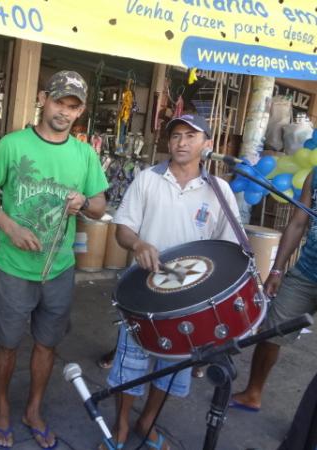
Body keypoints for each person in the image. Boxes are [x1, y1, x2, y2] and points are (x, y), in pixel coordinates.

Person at [0, 70, 109, 449]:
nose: (64, 112)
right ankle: (2, 408)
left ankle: (33, 409)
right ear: (43, 99)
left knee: (47, 344)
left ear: (80, 112)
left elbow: (100, 205)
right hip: (14, 268)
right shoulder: (13, 145)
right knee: (7, 344)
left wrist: (85, 202)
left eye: (73, 106)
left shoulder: (84, 154)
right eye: (59, 102)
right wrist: (10, 226)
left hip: (59, 268)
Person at [105, 114, 241, 450]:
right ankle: (121, 424)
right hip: (143, 291)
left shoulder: (219, 190)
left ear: (207, 144)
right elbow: (123, 229)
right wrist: (137, 244)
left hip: (189, 298)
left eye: (191, 136)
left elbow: (229, 249)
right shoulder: (147, 178)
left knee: (173, 367)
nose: (181, 142)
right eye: (176, 135)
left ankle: (147, 420)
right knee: (130, 364)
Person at [231, 168, 317, 412]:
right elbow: (298, 222)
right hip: (306, 273)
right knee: (272, 331)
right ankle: (253, 393)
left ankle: (307, 428)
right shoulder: (315, 174)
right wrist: (277, 270)